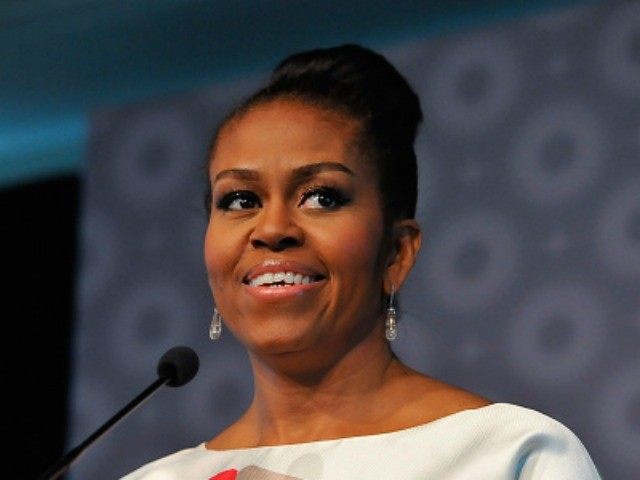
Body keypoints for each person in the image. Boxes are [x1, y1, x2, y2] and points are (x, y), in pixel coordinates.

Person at [122, 44, 600, 479]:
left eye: (322, 197)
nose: (271, 229)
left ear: (396, 253)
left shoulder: (506, 455)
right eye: (240, 199)